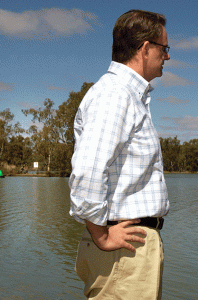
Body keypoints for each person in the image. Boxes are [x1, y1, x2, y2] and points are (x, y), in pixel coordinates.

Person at [69, 9, 170, 299]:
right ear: (145, 47)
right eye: (164, 48)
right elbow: (88, 170)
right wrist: (101, 235)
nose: (167, 56)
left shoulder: (127, 95)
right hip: (122, 253)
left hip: (129, 249)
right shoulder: (115, 94)